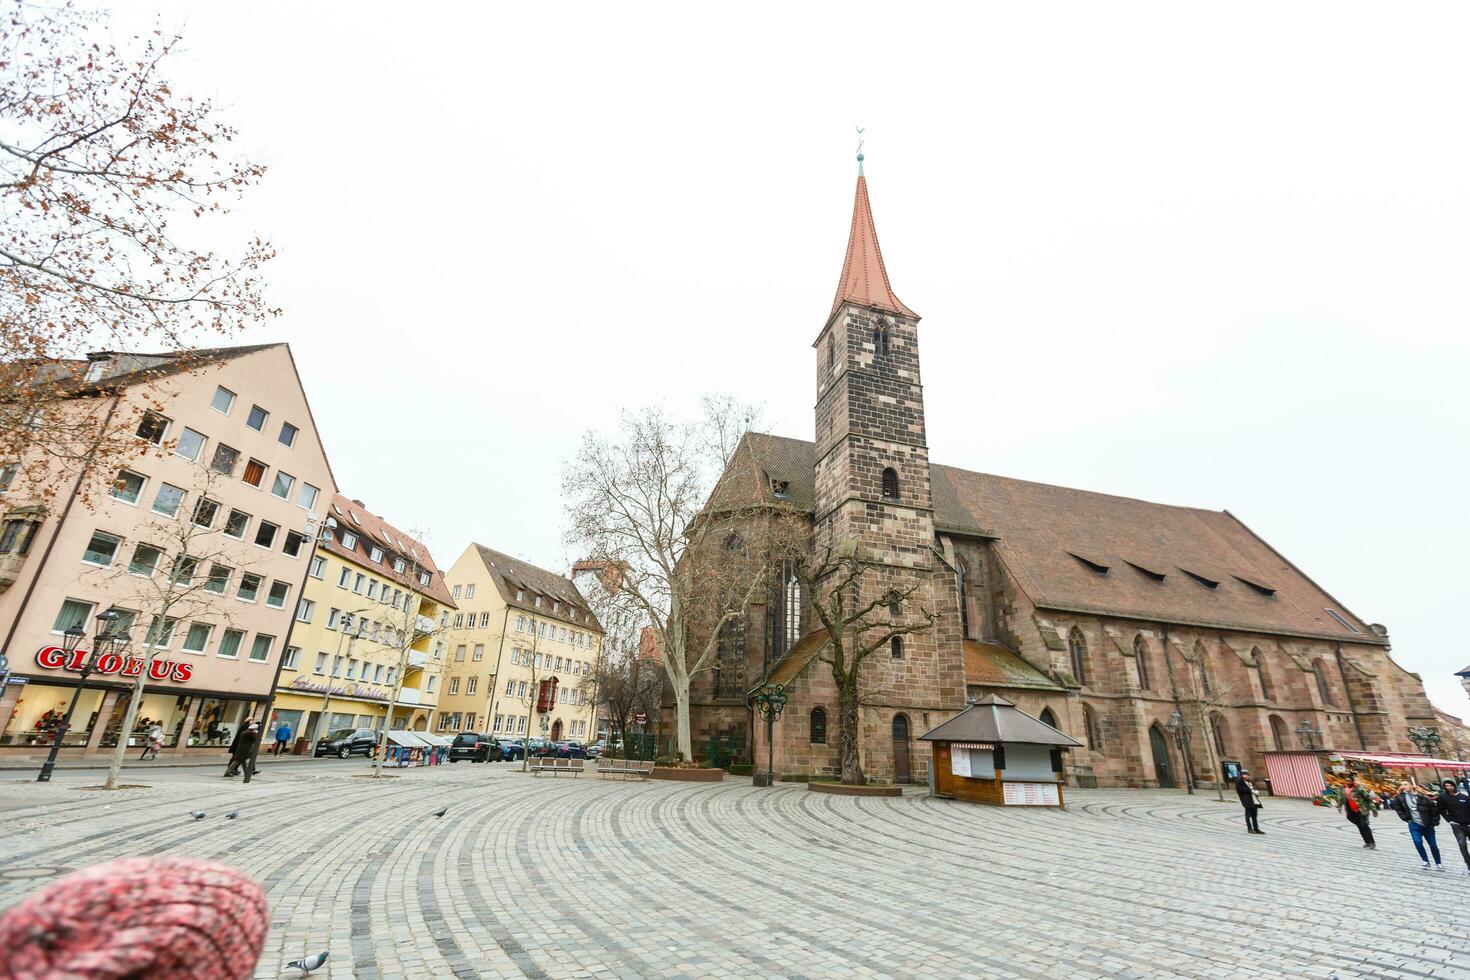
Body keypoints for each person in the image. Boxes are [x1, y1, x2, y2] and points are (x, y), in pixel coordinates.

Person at [1390, 781, 1444, 870]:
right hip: (1414, 824)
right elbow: (1396, 807)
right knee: (1417, 842)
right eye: (1402, 785)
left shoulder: (1422, 796)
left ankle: (1438, 863)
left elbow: (1434, 809)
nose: (1403, 786)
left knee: (1433, 845)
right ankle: (1425, 861)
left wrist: (1434, 822)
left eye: (1406, 784)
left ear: (1411, 785)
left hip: (1427, 824)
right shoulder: (1401, 797)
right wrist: (1405, 818)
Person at [1436, 777, 1470, 874]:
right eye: (1446, 786)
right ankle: (1469, 865)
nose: (1449, 787)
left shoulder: (1464, 797)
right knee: (1462, 845)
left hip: (1468, 824)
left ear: (1454, 786)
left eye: (1450, 785)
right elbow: (1441, 810)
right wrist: (1449, 820)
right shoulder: (1442, 797)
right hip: (1456, 825)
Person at [1335, 775, 1377, 849]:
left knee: (1364, 825)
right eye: (1347, 781)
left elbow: (1368, 799)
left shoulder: (1359, 789)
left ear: (1353, 781)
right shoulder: (1343, 789)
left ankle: (1372, 842)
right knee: (1360, 826)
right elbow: (1340, 797)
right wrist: (1339, 805)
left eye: (1350, 781)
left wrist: (1374, 809)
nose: (1348, 782)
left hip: (1361, 810)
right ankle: (1367, 842)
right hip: (1351, 811)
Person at [1235, 768, 1264, 834]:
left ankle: (1256, 828)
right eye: (1245, 775)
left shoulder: (1251, 782)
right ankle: (1249, 828)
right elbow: (1240, 790)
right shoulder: (1239, 782)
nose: (1247, 776)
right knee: (1248, 815)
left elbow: (1256, 788)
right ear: (1242, 775)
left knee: (1254, 816)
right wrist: (1250, 790)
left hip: (1254, 800)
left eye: (1248, 775)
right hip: (1247, 800)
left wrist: (1257, 792)